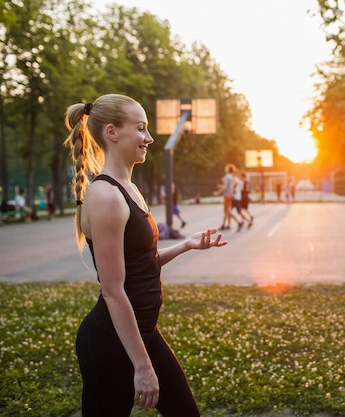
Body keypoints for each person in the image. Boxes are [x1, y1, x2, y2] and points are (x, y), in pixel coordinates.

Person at [64, 94, 227, 416]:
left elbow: (139, 266)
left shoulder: (129, 189)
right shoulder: (106, 197)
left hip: (142, 332)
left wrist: (185, 245)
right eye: (140, 129)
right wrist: (142, 366)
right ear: (112, 133)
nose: (149, 138)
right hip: (111, 343)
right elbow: (113, 291)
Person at [214, 163, 242, 230]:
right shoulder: (231, 177)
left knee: (228, 211)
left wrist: (218, 192)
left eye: (226, 167)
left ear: (228, 169)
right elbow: (230, 186)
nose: (225, 168)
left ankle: (239, 222)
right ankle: (223, 225)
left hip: (227, 196)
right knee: (226, 211)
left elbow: (225, 187)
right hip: (230, 195)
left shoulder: (227, 176)